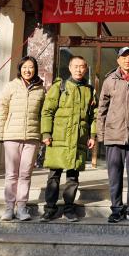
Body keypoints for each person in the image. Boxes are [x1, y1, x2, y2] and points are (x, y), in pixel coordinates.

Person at [39, 56, 97, 222]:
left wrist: (92, 135)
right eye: (75, 66)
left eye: (82, 66)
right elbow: (47, 111)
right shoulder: (59, 86)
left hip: (78, 138)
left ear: (86, 69)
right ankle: (50, 208)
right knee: (54, 175)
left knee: (73, 177)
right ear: (70, 68)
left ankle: (69, 208)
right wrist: (46, 133)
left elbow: (94, 116)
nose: (79, 69)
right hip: (58, 138)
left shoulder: (90, 90)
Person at [97, 47, 129, 223]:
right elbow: (102, 109)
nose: (127, 60)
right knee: (115, 174)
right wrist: (101, 134)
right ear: (118, 60)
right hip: (114, 134)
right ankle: (116, 209)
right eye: (124, 57)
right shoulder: (109, 80)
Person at [0, 56, 45, 221]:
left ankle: (22, 207)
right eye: (24, 67)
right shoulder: (11, 86)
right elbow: (2, 110)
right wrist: (0, 134)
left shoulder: (41, 90)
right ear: (20, 69)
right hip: (11, 135)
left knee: (25, 174)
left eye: (31, 67)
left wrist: (43, 135)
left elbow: (43, 114)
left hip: (32, 137)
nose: (27, 70)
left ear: (35, 69)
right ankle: (9, 208)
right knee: (11, 174)